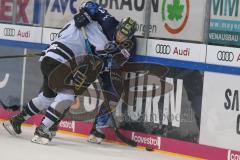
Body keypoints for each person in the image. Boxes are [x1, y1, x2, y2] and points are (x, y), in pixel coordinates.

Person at [2, 1, 137, 145]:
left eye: (125, 35)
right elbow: (103, 55)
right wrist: (105, 57)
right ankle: (43, 129)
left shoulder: (76, 21)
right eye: (120, 32)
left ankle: (15, 121)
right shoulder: (97, 31)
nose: (121, 36)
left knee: (46, 98)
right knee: (68, 95)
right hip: (60, 62)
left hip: (49, 59)